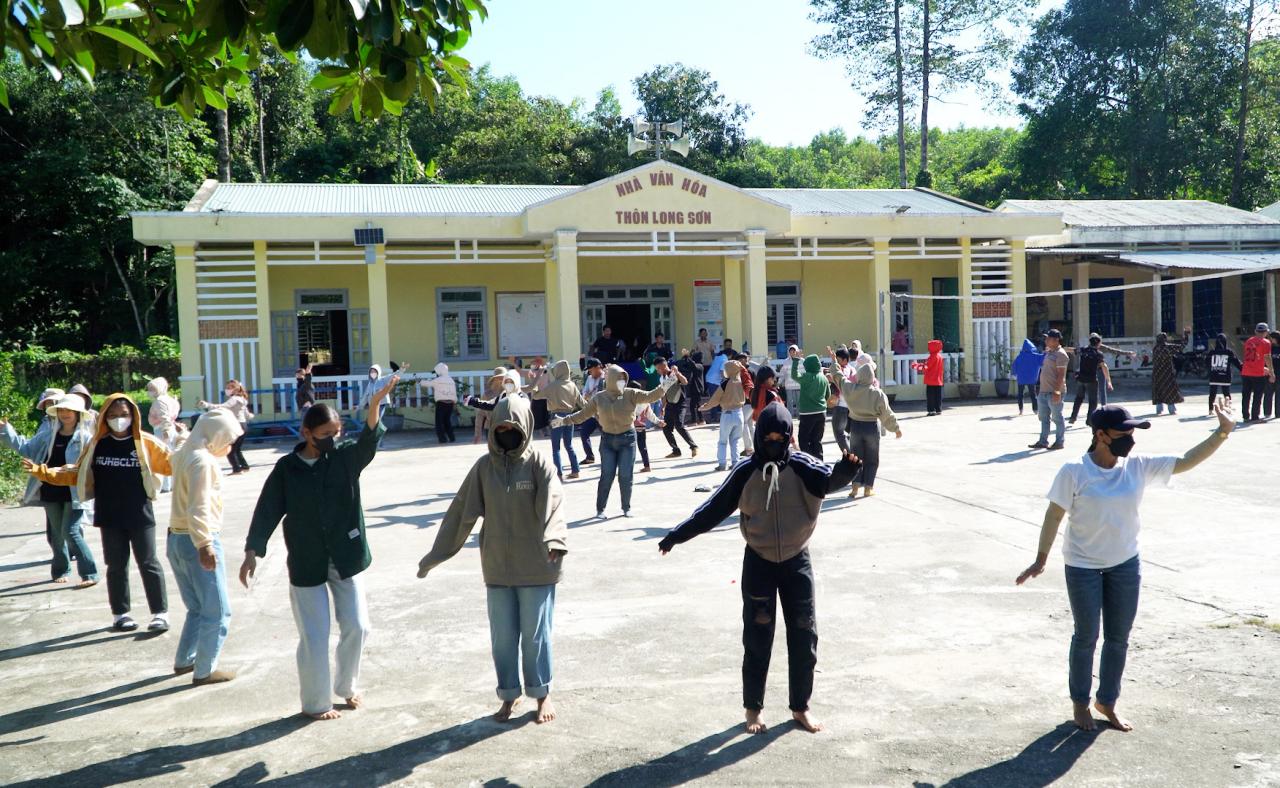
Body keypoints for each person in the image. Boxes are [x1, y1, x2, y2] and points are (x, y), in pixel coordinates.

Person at [1016, 401, 1236, 732]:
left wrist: (1223, 432)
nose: (1130, 438)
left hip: (1125, 565)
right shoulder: (1074, 471)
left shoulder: (1137, 467)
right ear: (1101, 435)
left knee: (1118, 638)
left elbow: (1185, 461)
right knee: (1086, 637)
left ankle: (1108, 701)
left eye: (1133, 431)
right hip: (1083, 566)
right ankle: (1080, 703)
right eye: (1124, 432)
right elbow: (1054, 515)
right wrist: (1041, 559)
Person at [658, 403, 862, 735]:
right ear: (757, 435)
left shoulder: (802, 465)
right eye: (766, 438)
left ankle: (801, 707)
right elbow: (712, 509)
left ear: (788, 437)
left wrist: (846, 470)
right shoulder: (745, 471)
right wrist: (676, 536)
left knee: (804, 635)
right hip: (759, 562)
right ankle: (753, 709)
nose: (772, 444)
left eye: (779, 438)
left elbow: (828, 481)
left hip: (797, 560)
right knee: (757, 637)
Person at [241, 372, 398, 720]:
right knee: (314, 636)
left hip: (346, 555)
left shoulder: (344, 459)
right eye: (325, 434)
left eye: (336, 433)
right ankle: (316, 703)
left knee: (357, 625)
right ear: (307, 433)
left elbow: (369, 440)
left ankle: (348, 686)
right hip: (307, 560)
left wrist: (374, 403)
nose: (332, 439)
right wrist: (253, 551)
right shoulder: (287, 469)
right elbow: (267, 509)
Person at [417, 396, 567, 724]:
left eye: (513, 427)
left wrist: (555, 539)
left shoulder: (539, 463)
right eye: (500, 427)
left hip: (537, 565)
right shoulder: (484, 468)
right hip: (497, 566)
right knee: (502, 637)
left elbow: (554, 502)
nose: (506, 432)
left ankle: (542, 695)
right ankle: (508, 696)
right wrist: (436, 554)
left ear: (525, 426)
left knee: (535, 635)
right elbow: (461, 513)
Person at [25, 394, 172, 632]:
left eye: (124, 415)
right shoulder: (96, 444)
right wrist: (44, 472)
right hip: (109, 516)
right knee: (116, 565)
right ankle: (121, 614)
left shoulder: (146, 443)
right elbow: (76, 473)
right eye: (113, 415)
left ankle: (159, 613)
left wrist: (196, 449)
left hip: (140, 514)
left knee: (148, 562)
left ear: (133, 415)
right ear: (104, 417)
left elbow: (173, 464)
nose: (119, 420)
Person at [168, 408, 242, 685]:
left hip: (176, 538)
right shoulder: (202, 461)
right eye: (228, 438)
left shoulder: (186, 453)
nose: (230, 444)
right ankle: (205, 670)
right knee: (218, 611)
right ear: (216, 435)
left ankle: (185, 660)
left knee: (197, 608)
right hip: (197, 539)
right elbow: (198, 506)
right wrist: (205, 544)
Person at [551, 365, 674, 518]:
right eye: (619, 379)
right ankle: (600, 510)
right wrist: (564, 421)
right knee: (607, 475)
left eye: (624, 378)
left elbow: (651, 396)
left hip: (628, 439)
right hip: (608, 440)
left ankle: (626, 508)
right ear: (610, 380)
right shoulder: (599, 398)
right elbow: (582, 415)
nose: (622, 381)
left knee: (625, 475)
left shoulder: (631, 393)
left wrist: (667, 384)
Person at [3, 394, 99, 587]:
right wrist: (6, 431)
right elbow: (26, 448)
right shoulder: (49, 435)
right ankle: (61, 570)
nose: (65, 414)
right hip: (50, 491)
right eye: (62, 410)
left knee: (70, 531)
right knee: (56, 533)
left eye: (69, 410)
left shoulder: (86, 438)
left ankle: (90, 573)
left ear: (78, 414)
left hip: (74, 493)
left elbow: (92, 467)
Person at [842, 364, 902, 499]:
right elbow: (887, 413)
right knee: (872, 459)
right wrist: (895, 428)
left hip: (855, 427)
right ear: (872, 377)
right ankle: (868, 488)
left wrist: (834, 364)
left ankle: (855, 488)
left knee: (856, 458)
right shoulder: (877, 393)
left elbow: (840, 379)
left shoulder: (851, 389)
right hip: (871, 427)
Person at [530, 359, 585, 481]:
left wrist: (534, 386)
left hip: (556, 417)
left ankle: (559, 473)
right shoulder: (572, 385)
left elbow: (537, 396)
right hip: (570, 417)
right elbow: (583, 403)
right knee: (569, 445)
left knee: (556, 448)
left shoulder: (553, 386)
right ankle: (575, 470)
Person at [698, 357, 752, 471]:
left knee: (723, 441)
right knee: (736, 440)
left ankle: (722, 464)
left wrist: (706, 406)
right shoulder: (741, 382)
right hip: (739, 413)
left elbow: (715, 399)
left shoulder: (725, 383)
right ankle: (735, 462)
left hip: (727, 414)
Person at [197, 380, 252, 474]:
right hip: (243, 425)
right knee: (237, 449)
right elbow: (247, 414)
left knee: (230, 449)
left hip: (237, 426)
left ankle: (237, 469)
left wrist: (207, 405)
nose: (227, 389)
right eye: (227, 387)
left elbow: (223, 407)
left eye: (229, 387)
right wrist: (249, 415)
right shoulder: (242, 399)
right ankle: (244, 466)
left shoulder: (234, 399)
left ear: (235, 389)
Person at [1030, 329, 1070, 451]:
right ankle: (1043, 441)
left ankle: (1059, 442)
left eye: (1048, 338)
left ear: (1056, 340)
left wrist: (1057, 392)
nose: (1046, 340)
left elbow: (1061, 375)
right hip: (1043, 391)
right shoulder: (1049, 352)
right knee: (1043, 417)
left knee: (1057, 418)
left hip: (1054, 391)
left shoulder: (1061, 355)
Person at [790, 348, 830, 459]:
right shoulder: (823, 378)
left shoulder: (806, 377)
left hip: (807, 414)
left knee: (803, 440)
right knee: (816, 441)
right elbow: (828, 394)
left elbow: (794, 375)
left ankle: (808, 462)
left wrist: (796, 360)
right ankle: (819, 464)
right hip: (821, 412)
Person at [657, 357, 697, 458]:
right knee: (666, 427)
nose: (657, 370)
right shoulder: (662, 378)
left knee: (679, 425)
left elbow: (685, 382)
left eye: (658, 368)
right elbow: (664, 393)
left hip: (680, 404)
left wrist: (678, 373)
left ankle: (693, 446)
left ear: (663, 366)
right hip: (670, 404)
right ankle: (676, 450)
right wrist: (663, 407)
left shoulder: (674, 373)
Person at [147, 377, 182, 493]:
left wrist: (165, 432)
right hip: (168, 429)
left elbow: (164, 417)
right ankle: (171, 484)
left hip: (162, 431)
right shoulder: (170, 399)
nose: (150, 391)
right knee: (170, 457)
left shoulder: (160, 401)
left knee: (163, 457)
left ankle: (166, 485)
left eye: (152, 388)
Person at [1240, 322, 1275, 422]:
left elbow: (1252, 357)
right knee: (1257, 395)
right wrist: (1271, 372)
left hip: (1246, 371)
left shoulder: (1249, 341)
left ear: (1256, 331)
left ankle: (1245, 416)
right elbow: (1267, 357)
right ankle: (1255, 416)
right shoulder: (1266, 342)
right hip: (1257, 373)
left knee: (1246, 395)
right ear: (1266, 332)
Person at [825, 347, 857, 455]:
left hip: (842, 406)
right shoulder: (852, 369)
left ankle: (849, 456)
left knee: (839, 433)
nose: (837, 362)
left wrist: (831, 378)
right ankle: (854, 454)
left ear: (845, 360)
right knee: (849, 433)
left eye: (838, 360)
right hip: (852, 406)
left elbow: (840, 379)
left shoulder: (844, 370)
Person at [420, 362, 459, 445]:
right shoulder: (451, 380)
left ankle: (442, 439)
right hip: (450, 404)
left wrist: (420, 381)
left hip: (441, 403)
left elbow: (428, 384)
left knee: (439, 422)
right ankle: (452, 437)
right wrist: (455, 402)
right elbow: (454, 393)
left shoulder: (438, 380)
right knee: (447, 421)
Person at [576, 358, 605, 464]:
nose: (589, 372)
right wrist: (586, 395)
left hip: (603, 413)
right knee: (584, 433)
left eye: (591, 369)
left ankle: (606, 458)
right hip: (592, 413)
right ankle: (589, 457)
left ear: (598, 368)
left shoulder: (605, 378)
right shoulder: (589, 378)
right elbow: (584, 393)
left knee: (606, 435)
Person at [1207, 333, 1242, 414]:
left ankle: (1210, 409)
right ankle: (1228, 408)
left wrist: (1211, 370)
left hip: (1214, 375)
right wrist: (1242, 369)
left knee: (1212, 393)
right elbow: (1236, 362)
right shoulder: (1228, 352)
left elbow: (1206, 362)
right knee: (1226, 393)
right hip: (1225, 376)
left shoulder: (1212, 352)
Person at [1149, 333, 1184, 416]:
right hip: (1167, 373)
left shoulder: (1155, 348)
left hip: (1157, 373)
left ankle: (1159, 410)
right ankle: (1171, 410)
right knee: (1169, 390)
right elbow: (1181, 346)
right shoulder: (1168, 347)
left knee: (1158, 391)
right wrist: (1186, 335)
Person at [473, 367, 506, 444]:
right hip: (490, 427)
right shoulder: (487, 394)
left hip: (507, 427)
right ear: (494, 379)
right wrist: (478, 434)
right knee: (494, 453)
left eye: (504, 377)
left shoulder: (511, 392)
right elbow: (480, 414)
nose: (501, 380)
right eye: (499, 377)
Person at [912, 340, 945, 416]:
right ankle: (938, 409)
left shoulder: (932, 357)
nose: (928, 348)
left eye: (929, 347)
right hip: (938, 380)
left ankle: (931, 410)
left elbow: (926, 367)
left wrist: (916, 366)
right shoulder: (939, 356)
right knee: (938, 396)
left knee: (931, 396)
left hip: (931, 380)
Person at [1012, 339, 1044, 416]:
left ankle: (1021, 410)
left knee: (1020, 394)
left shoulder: (1019, 357)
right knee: (1033, 394)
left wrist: (1014, 373)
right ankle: (1035, 410)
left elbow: (1014, 365)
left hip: (1021, 379)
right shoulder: (1035, 356)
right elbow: (1043, 358)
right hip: (1031, 379)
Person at [677, 350, 707, 425]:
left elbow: (692, 365)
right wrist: (685, 357)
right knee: (697, 404)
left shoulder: (700, 366)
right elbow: (687, 364)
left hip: (698, 388)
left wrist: (687, 356)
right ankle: (701, 420)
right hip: (695, 388)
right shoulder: (696, 365)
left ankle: (694, 421)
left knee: (693, 405)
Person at [1266, 331, 1280, 419]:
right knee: (1268, 393)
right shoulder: (1269, 348)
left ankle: (1278, 413)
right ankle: (1267, 412)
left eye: (1271, 338)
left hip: (1279, 374)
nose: (1270, 340)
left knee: (1279, 394)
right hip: (1270, 374)